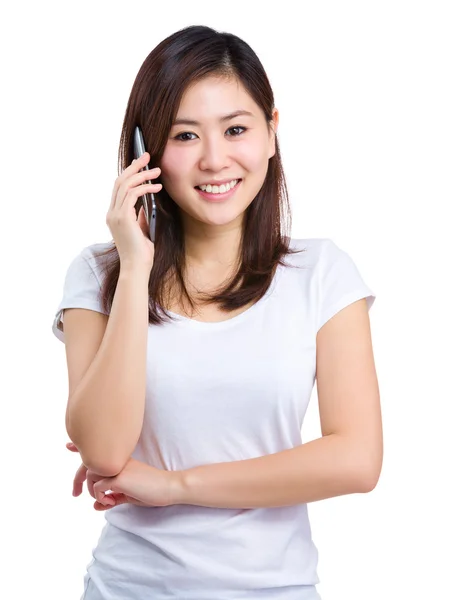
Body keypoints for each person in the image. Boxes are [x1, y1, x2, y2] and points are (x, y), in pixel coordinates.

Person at [52, 24, 382, 600]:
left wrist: (176, 485)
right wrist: (135, 267)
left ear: (272, 133)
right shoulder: (99, 273)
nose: (213, 159)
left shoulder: (323, 274)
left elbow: (357, 459)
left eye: (236, 129)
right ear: (144, 151)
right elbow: (104, 450)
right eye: (184, 135)